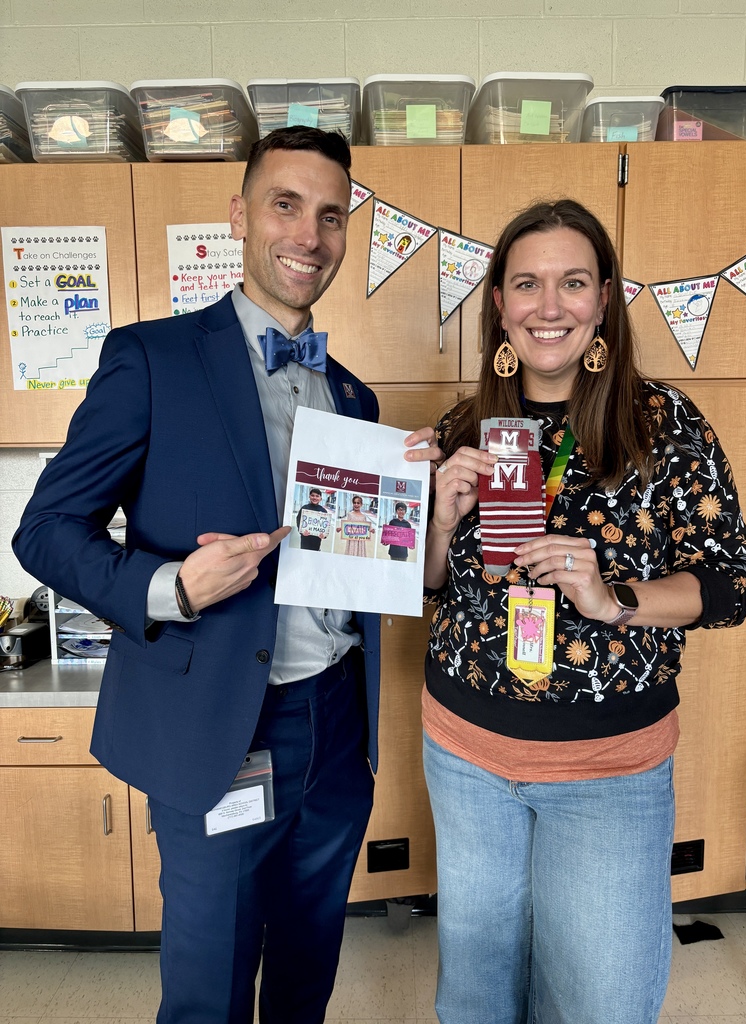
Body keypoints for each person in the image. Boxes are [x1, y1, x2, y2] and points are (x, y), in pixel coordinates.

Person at [13, 126, 441, 1024]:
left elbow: (357, 576)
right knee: (209, 985)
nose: (309, 235)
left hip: (333, 729)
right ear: (240, 215)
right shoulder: (152, 358)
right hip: (218, 732)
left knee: (305, 969)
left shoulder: (354, 399)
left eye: (331, 215)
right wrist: (171, 588)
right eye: (286, 204)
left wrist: (418, 519)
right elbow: (46, 531)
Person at [423, 199, 746, 1024]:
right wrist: (435, 519)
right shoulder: (464, 427)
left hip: (609, 770)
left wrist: (615, 600)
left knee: (602, 1000)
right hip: (465, 755)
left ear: (603, 298)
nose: (549, 306)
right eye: (526, 283)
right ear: (497, 300)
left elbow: (730, 587)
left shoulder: (663, 423)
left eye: (572, 283)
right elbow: (430, 591)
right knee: (476, 995)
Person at [297, 486, 330, 551]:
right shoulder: (304, 508)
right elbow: (298, 521)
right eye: (312, 495)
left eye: (317, 496)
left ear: (321, 498)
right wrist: (301, 532)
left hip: (317, 539)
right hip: (305, 538)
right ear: (309, 497)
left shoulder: (323, 511)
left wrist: (324, 535)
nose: (314, 497)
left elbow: (326, 526)